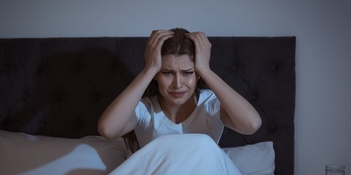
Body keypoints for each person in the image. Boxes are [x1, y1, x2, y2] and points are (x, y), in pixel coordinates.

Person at [97, 28, 262, 154]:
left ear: (197, 74)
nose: (177, 84)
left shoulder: (210, 105)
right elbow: (108, 130)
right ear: (156, 74)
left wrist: (205, 70)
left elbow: (251, 125)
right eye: (167, 73)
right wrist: (149, 68)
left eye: (187, 73)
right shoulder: (145, 110)